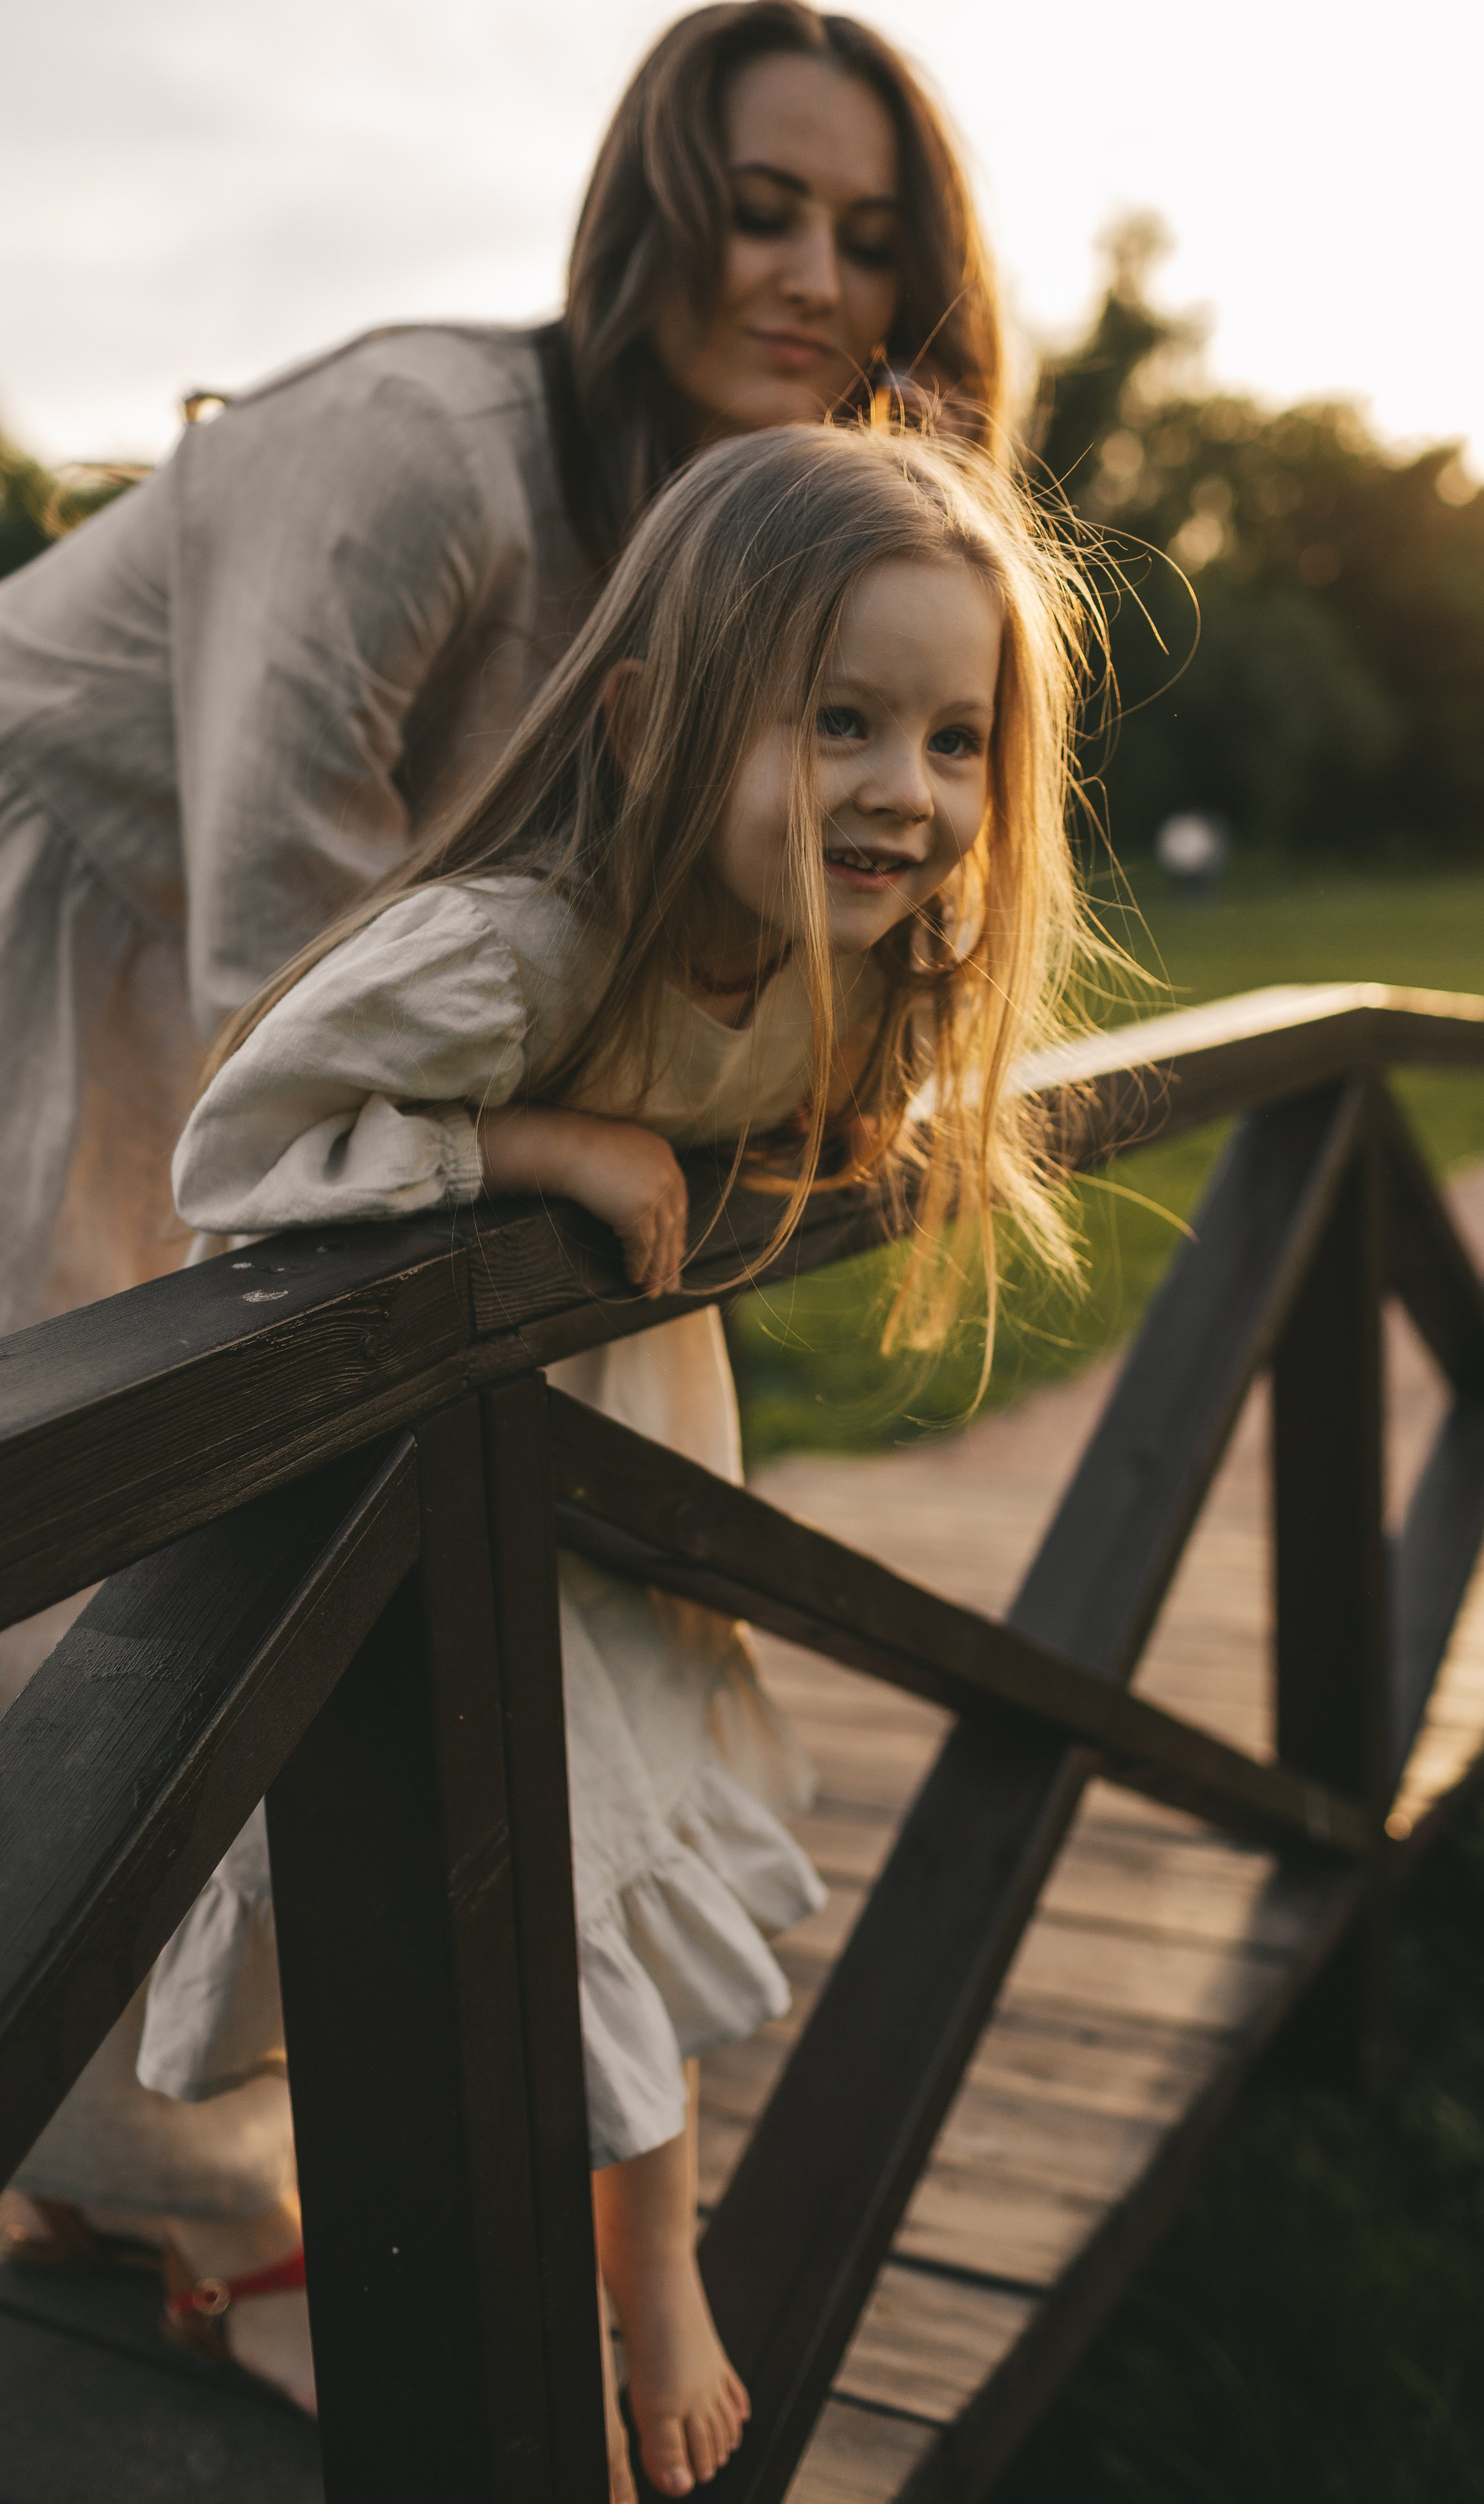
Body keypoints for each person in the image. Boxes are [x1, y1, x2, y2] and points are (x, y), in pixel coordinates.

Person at [0, 0, 1008, 2417]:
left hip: (343, 991)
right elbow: (295, 967)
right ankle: (117, 2150)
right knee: (102, 1476)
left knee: (343, 1494)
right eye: (760, 207)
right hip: (77, 900)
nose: (812, 278)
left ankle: (219, 2128)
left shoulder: (742, 528)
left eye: (870, 238)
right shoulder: (423, 455)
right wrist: (516, 1142)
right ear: (650, 199)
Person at [161, 423, 1093, 2493]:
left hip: (608, 1494)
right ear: (663, 716)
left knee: (596, 1892)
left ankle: (594, 2274)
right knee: (529, 1906)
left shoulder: (822, 944)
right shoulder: (515, 952)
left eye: (956, 740)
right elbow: (230, 1154)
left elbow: (808, 1080)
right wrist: (528, 1145)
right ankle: (577, 2297)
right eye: (840, 719)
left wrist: (837, 1128)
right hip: (403, 1513)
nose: (908, 791)